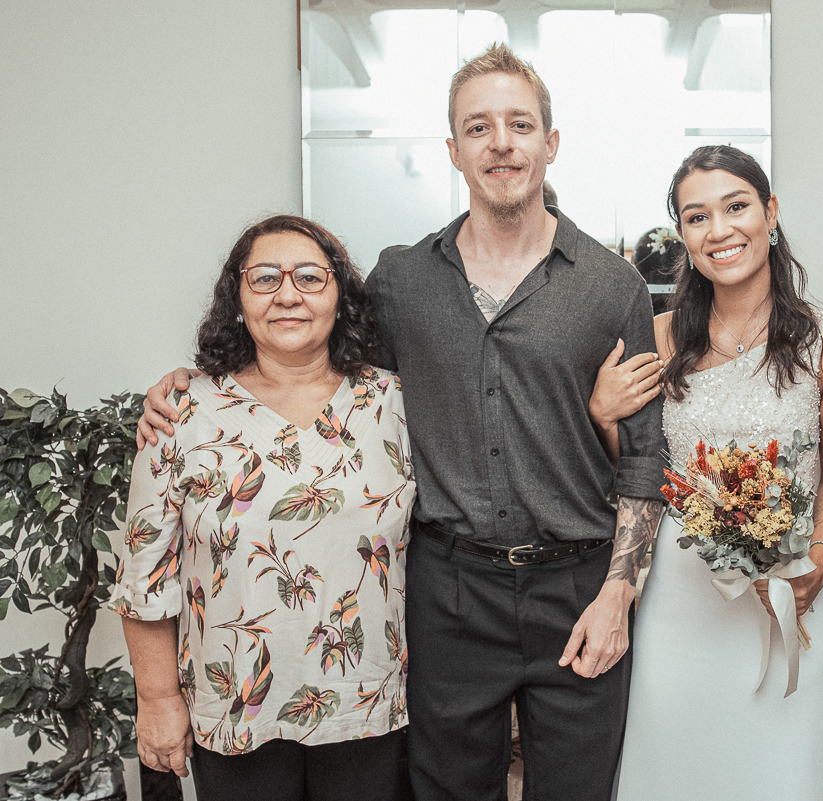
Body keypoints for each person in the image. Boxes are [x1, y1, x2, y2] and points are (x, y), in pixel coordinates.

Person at [138, 44, 666, 801]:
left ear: (551, 142)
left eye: (520, 124)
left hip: (578, 585)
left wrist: (618, 595)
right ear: (454, 151)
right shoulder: (401, 280)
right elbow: (319, 369)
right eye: (478, 128)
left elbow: (645, 459)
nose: (501, 143)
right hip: (447, 588)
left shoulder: (613, 285)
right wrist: (194, 385)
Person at [591, 145, 823, 799]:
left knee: (785, 774)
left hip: (790, 599)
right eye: (697, 217)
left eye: (736, 206)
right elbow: (632, 473)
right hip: (680, 610)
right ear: (683, 235)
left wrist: (819, 563)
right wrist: (603, 416)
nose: (719, 230)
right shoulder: (657, 341)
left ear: (770, 213)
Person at [113, 215, 416, 800]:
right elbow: (147, 575)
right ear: (237, 297)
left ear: (339, 295)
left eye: (309, 277)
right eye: (264, 279)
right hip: (233, 709)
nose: (287, 295)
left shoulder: (392, 401)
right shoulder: (182, 411)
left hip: (365, 705)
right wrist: (155, 700)